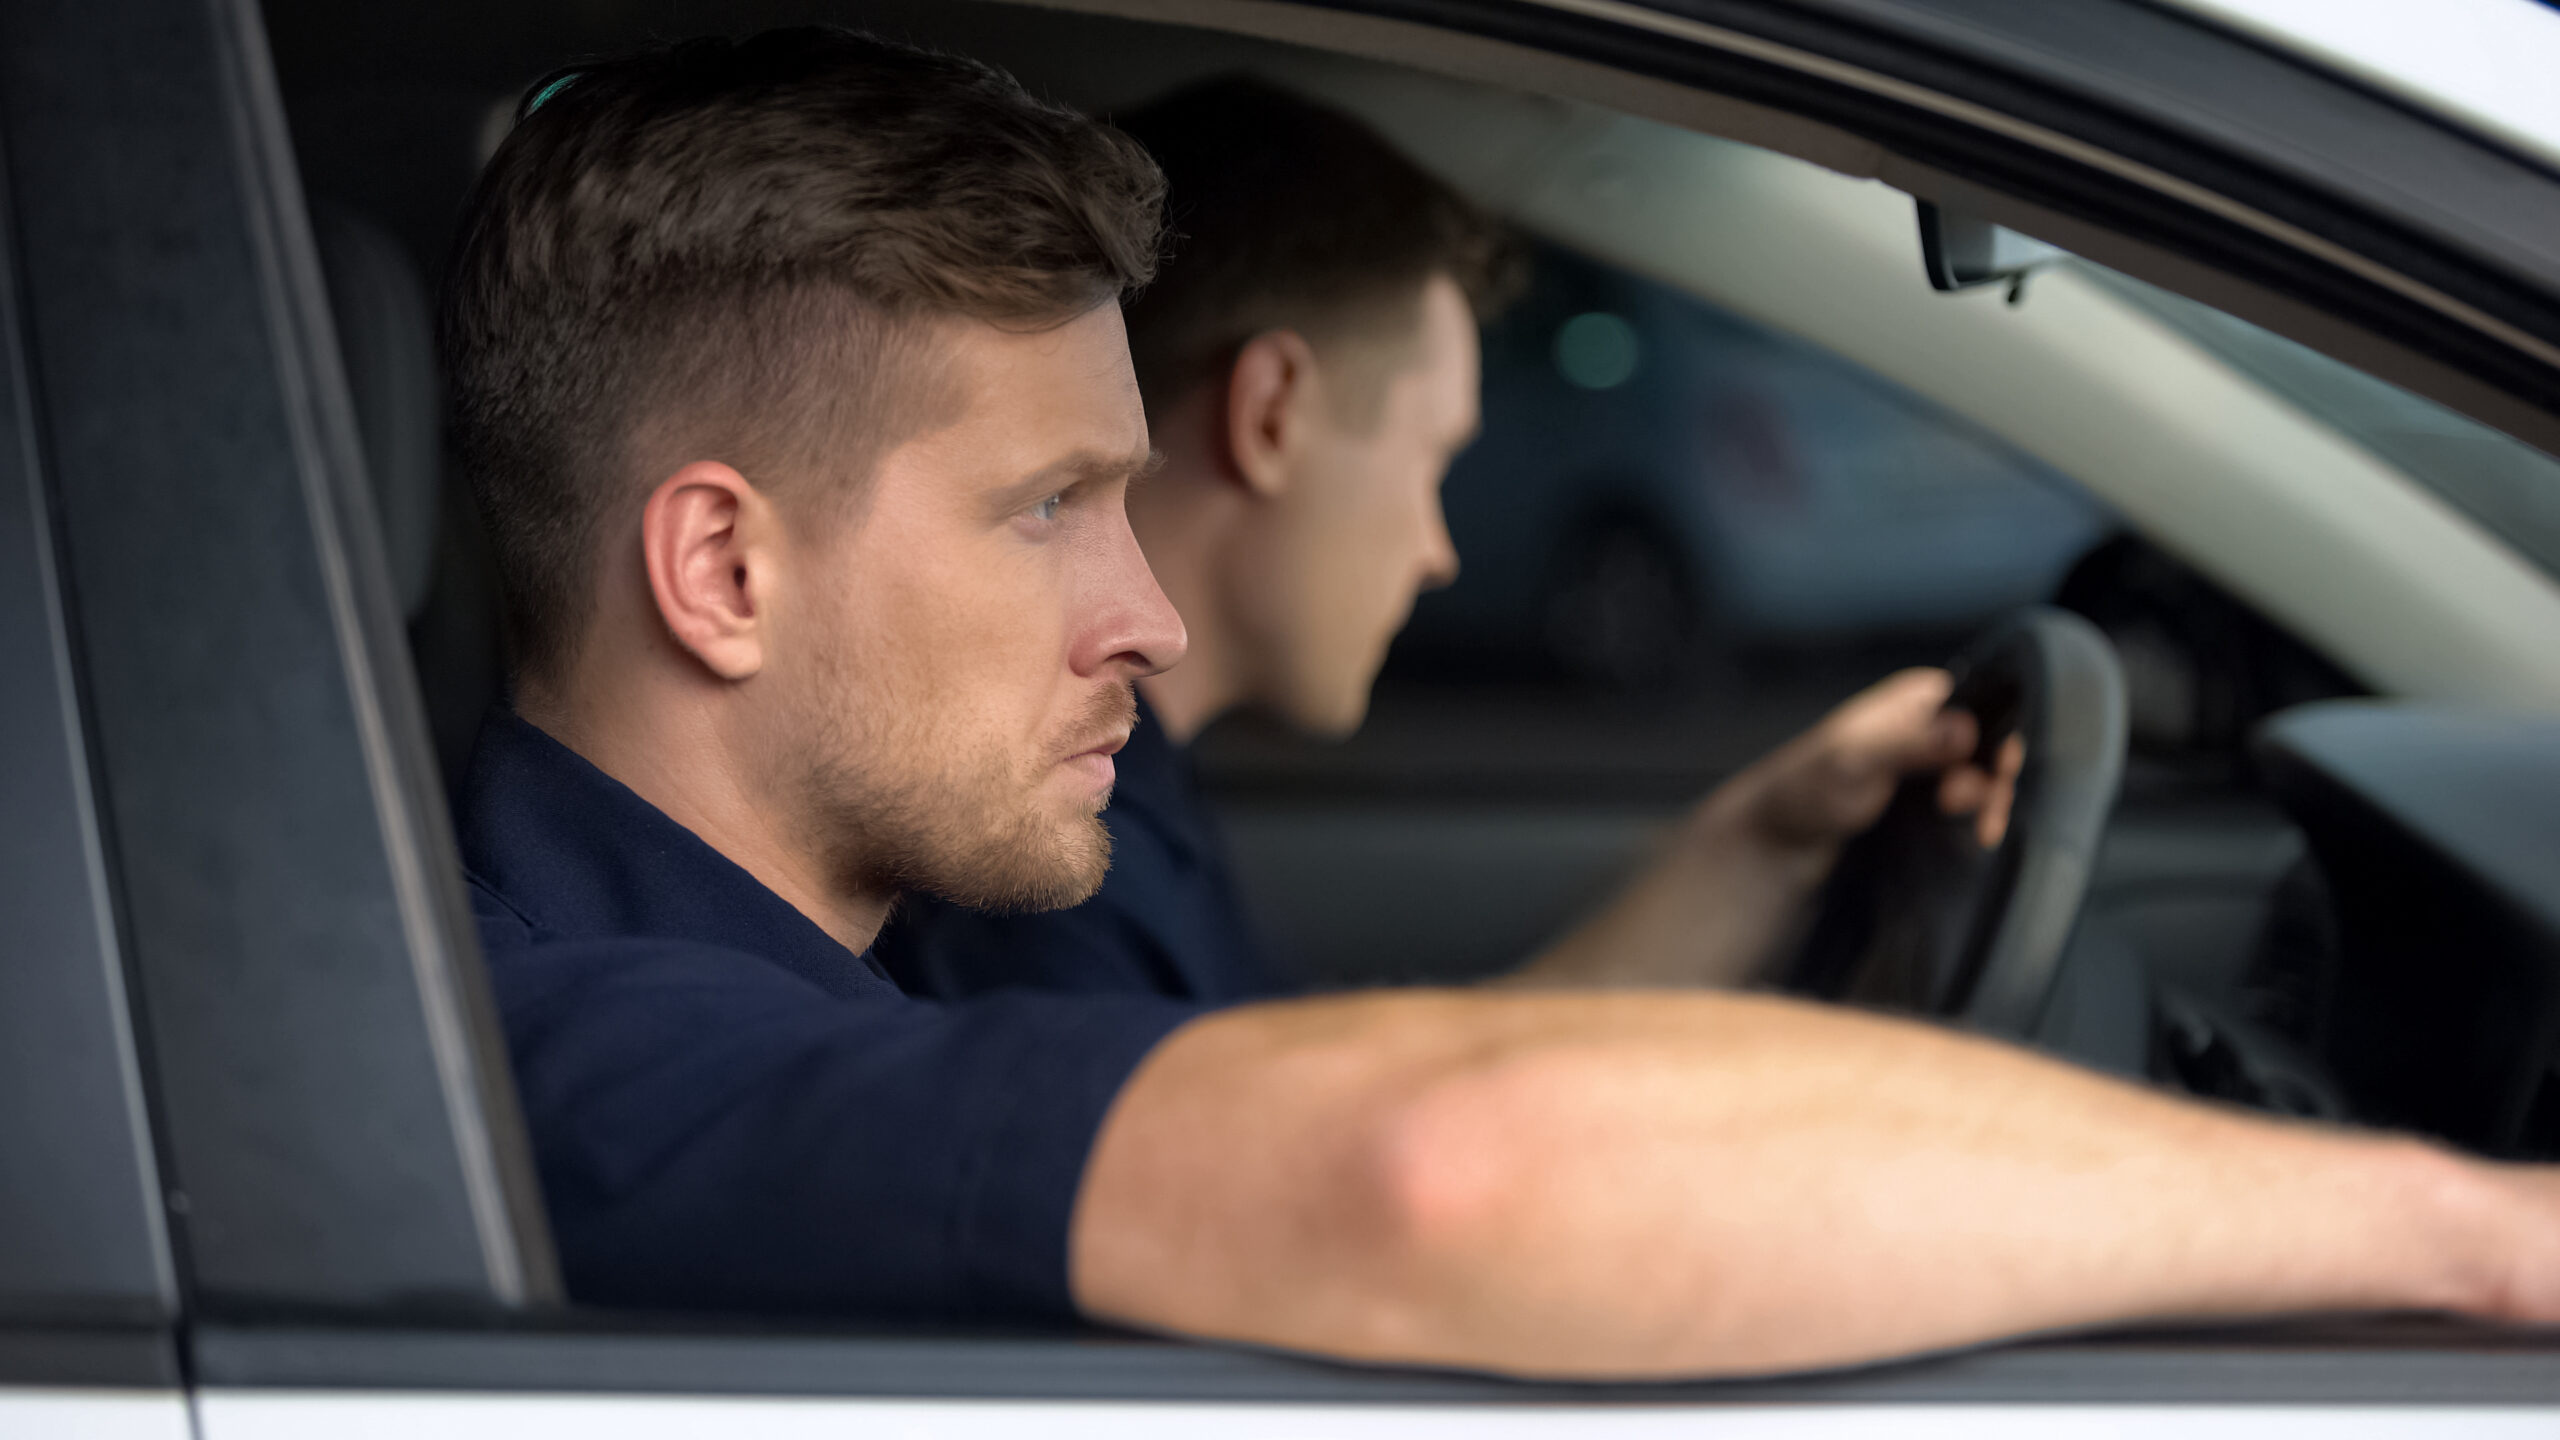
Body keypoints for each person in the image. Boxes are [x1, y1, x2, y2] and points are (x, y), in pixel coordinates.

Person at [444, 28, 2560, 1378]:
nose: (1149, 614)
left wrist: (1748, 852)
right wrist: (2470, 1237)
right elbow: (1433, 1166)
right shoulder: (568, 1045)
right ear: (720, 569)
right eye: (1048, 511)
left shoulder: (790, 964)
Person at [874, 78, 2011, 1004]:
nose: (1438, 550)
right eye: (1431, 462)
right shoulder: (1046, 868)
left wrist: (1769, 833)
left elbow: (1349, 1123)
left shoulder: (1129, 800)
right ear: (1271, 415)